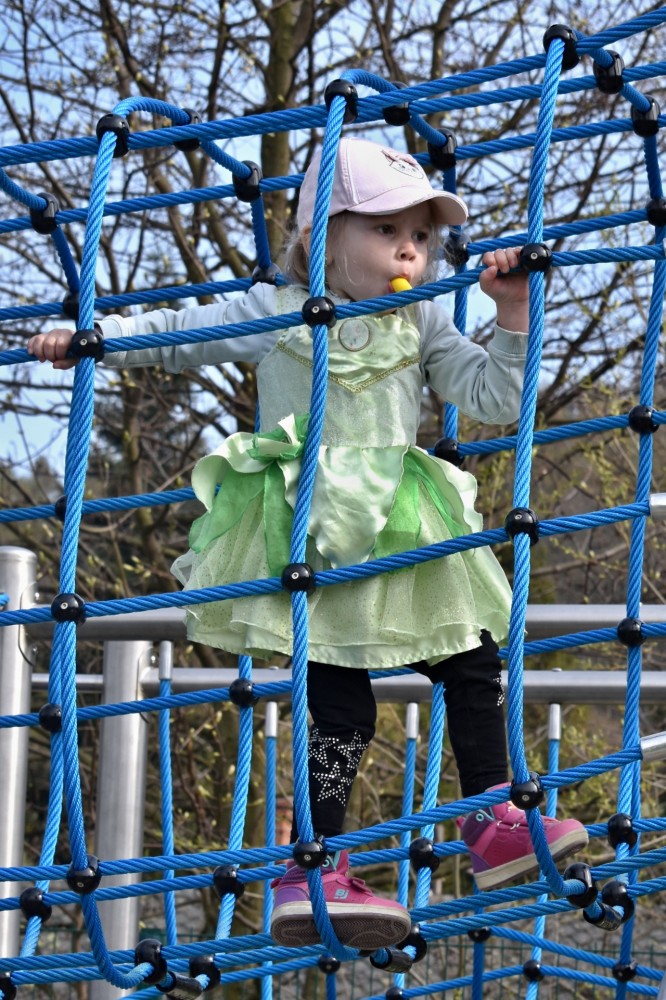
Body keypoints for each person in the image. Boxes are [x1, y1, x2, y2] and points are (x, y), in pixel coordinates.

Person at [29, 137, 588, 951]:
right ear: (320, 238)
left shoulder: (421, 315)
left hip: (401, 526)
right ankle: (314, 864)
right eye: (386, 230)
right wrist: (92, 337)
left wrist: (512, 314)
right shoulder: (278, 311)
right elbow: (180, 333)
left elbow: (493, 396)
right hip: (311, 535)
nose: (411, 250)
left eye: (422, 235)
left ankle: (492, 817)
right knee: (341, 707)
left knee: (473, 660)